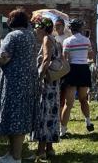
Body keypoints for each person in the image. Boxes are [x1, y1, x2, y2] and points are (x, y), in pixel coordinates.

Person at [0, 8, 37, 163]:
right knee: (19, 117)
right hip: (27, 81)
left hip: (14, 82)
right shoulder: (31, 36)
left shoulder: (12, 36)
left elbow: (4, 59)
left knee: (14, 117)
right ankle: (11, 153)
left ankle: (15, 157)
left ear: (11, 22)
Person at [31, 16, 61, 162]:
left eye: (36, 27)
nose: (35, 30)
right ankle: (50, 148)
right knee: (51, 113)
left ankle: (41, 151)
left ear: (42, 28)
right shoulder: (54, 39)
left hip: (46, 82)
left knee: (44, 113)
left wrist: (39, 76)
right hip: (54, 82)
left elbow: (46, 59)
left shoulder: (46, 40)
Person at [60, 18, 95, 136]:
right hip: (84, 69)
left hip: (72, 69)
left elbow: (65, 58)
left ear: (71, 28)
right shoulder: (87, 40)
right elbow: (90, 55)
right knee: (83, 99)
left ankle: (62, 130)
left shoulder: (67, 41)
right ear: (80, 28)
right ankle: (88, 122)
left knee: (68, 103)